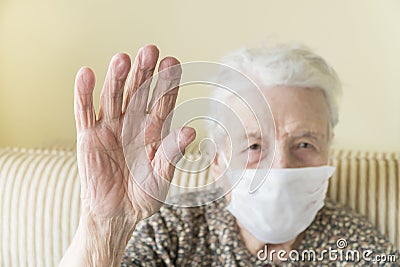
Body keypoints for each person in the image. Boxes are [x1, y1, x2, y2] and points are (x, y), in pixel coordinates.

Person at [59, 44, 399, 266]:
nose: (280, 166)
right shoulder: (172, 235)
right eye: (253, 146)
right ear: (218, 160)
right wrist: (105, 227)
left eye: (305, 144)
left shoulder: (356, 245)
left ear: (328, 153)